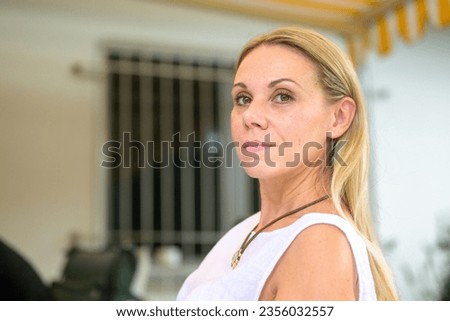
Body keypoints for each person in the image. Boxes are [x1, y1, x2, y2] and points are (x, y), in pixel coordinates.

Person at [177, 27, 398, 301]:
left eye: (283, 96)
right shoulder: (250, 229)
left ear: (339, 118)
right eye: (243, 99)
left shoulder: (319, 245)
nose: (251, 116)